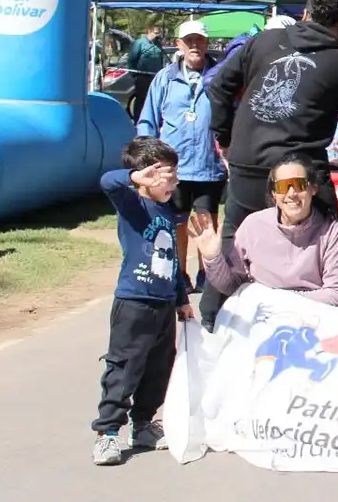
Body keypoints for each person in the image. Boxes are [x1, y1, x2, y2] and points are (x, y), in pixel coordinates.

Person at [205, 0, 338, 329]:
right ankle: (335, 324)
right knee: (328, 239)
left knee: (233, 243)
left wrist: (225, 137)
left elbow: (219, 86)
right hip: (300, 173)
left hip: (248, 161)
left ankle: (212, 321)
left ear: (305, 13)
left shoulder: (263, 41)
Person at [91, 137, 191, 466]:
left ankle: (144, 424)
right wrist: (135, 178)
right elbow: (107, 182)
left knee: (158, 367)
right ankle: (107, 433)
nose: (172, 181)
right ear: (146, 174)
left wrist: (180, 299)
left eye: (175, 174)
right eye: (166, 174)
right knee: (124, 367)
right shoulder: (133, 204)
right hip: (133, 302)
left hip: (163, 306)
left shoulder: (166, 212)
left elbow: (173, 261)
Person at [191, 153, 338, 308]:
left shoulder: (331, 230)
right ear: (274, 193)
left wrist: (275, 300)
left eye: (299, 185)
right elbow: (231, 286)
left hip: (313, 320)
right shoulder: (253, 225)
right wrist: (212, 258)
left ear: (313, 188)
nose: (291, 194)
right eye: (283, 186)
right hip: (263, 321)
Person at [136, 19, 226, 291]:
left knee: (206, 221)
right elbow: (147, 119)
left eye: (199, 40)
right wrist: (146, 158)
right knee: (175, 222)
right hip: (172, 168)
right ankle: (179, 274)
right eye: (189, 41)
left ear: (207, 43)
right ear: (179, 45)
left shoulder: (220, 76)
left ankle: (207, 274)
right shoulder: (164, 78)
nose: (195, 45)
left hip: (208, 164)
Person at [126, 25, 165, 116]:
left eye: (159, 33)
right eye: (156, 33)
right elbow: (132, 59)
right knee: (141, 99)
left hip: (156, 77)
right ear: (149, 32)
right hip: (143, 76)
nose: (158, 35)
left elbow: (161, 59)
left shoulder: (158, 44)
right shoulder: (139, 43)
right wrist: (134, 74)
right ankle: (138, 120)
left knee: (156, 99)